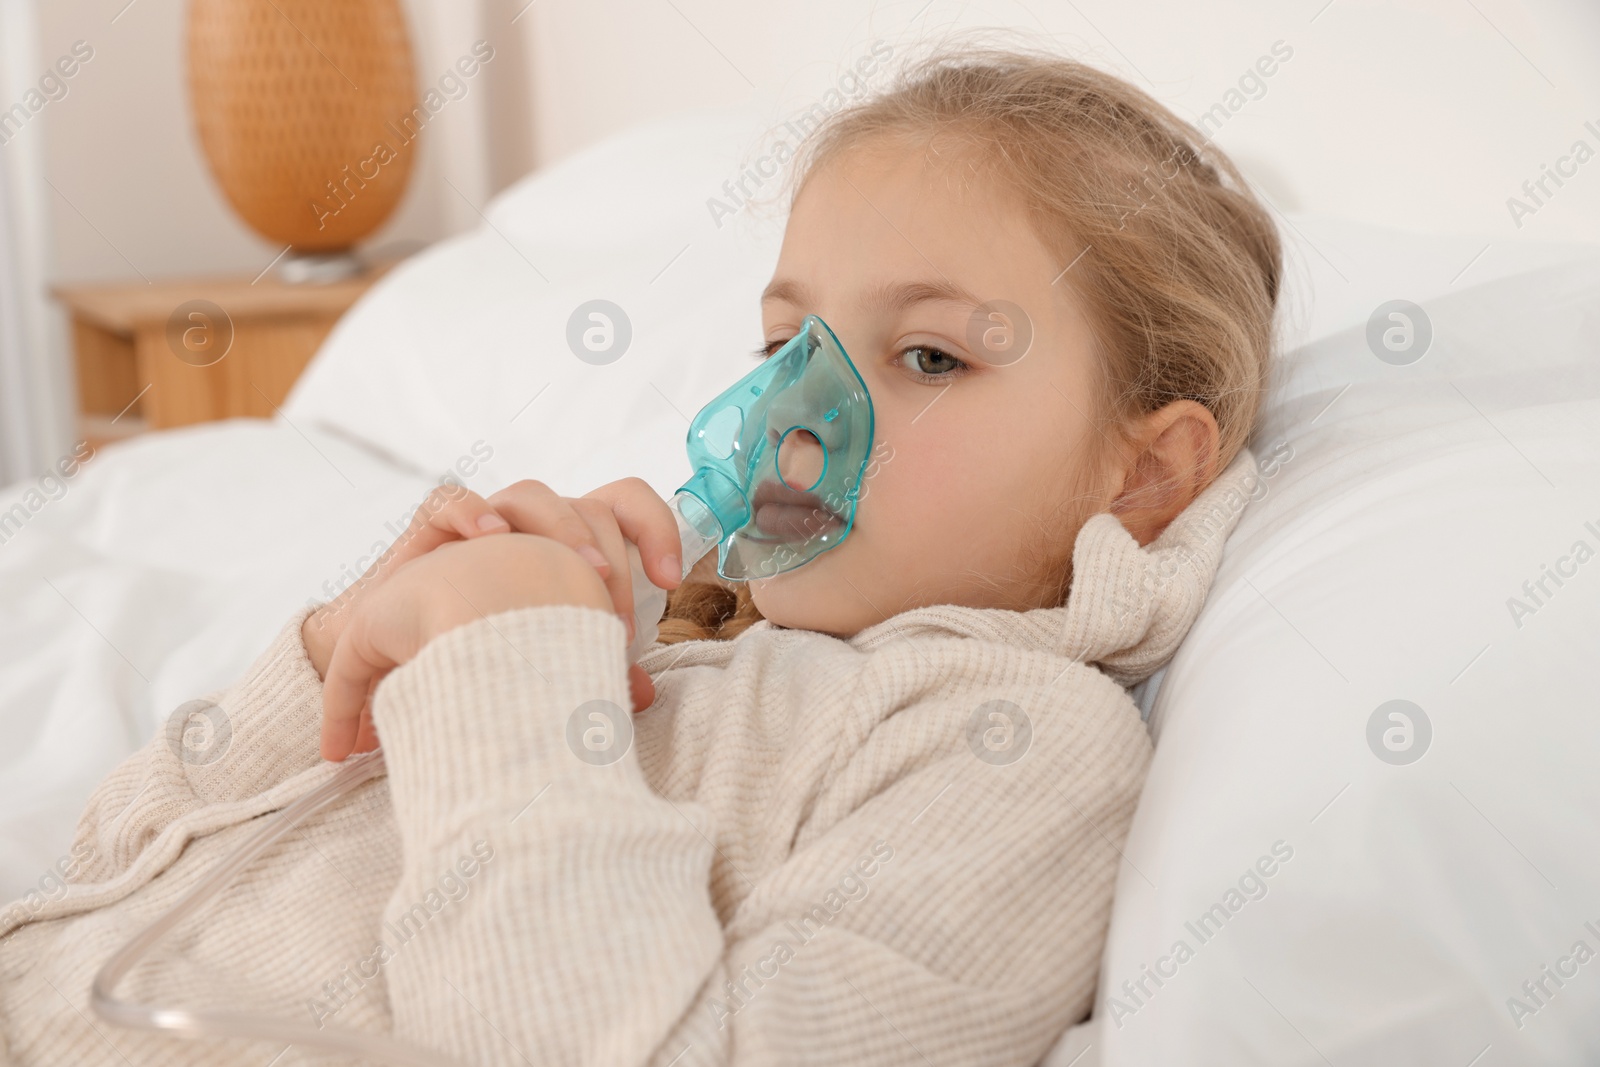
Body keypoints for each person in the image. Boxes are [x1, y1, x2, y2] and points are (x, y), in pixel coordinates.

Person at [0, 43, 1281, 1066]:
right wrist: (350, 648)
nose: (796, 411)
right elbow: (112, 870)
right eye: (785, 343)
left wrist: (507, 671)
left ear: (1146, 470)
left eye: (931, 354)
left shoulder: (1009, 740)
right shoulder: (657, 626)